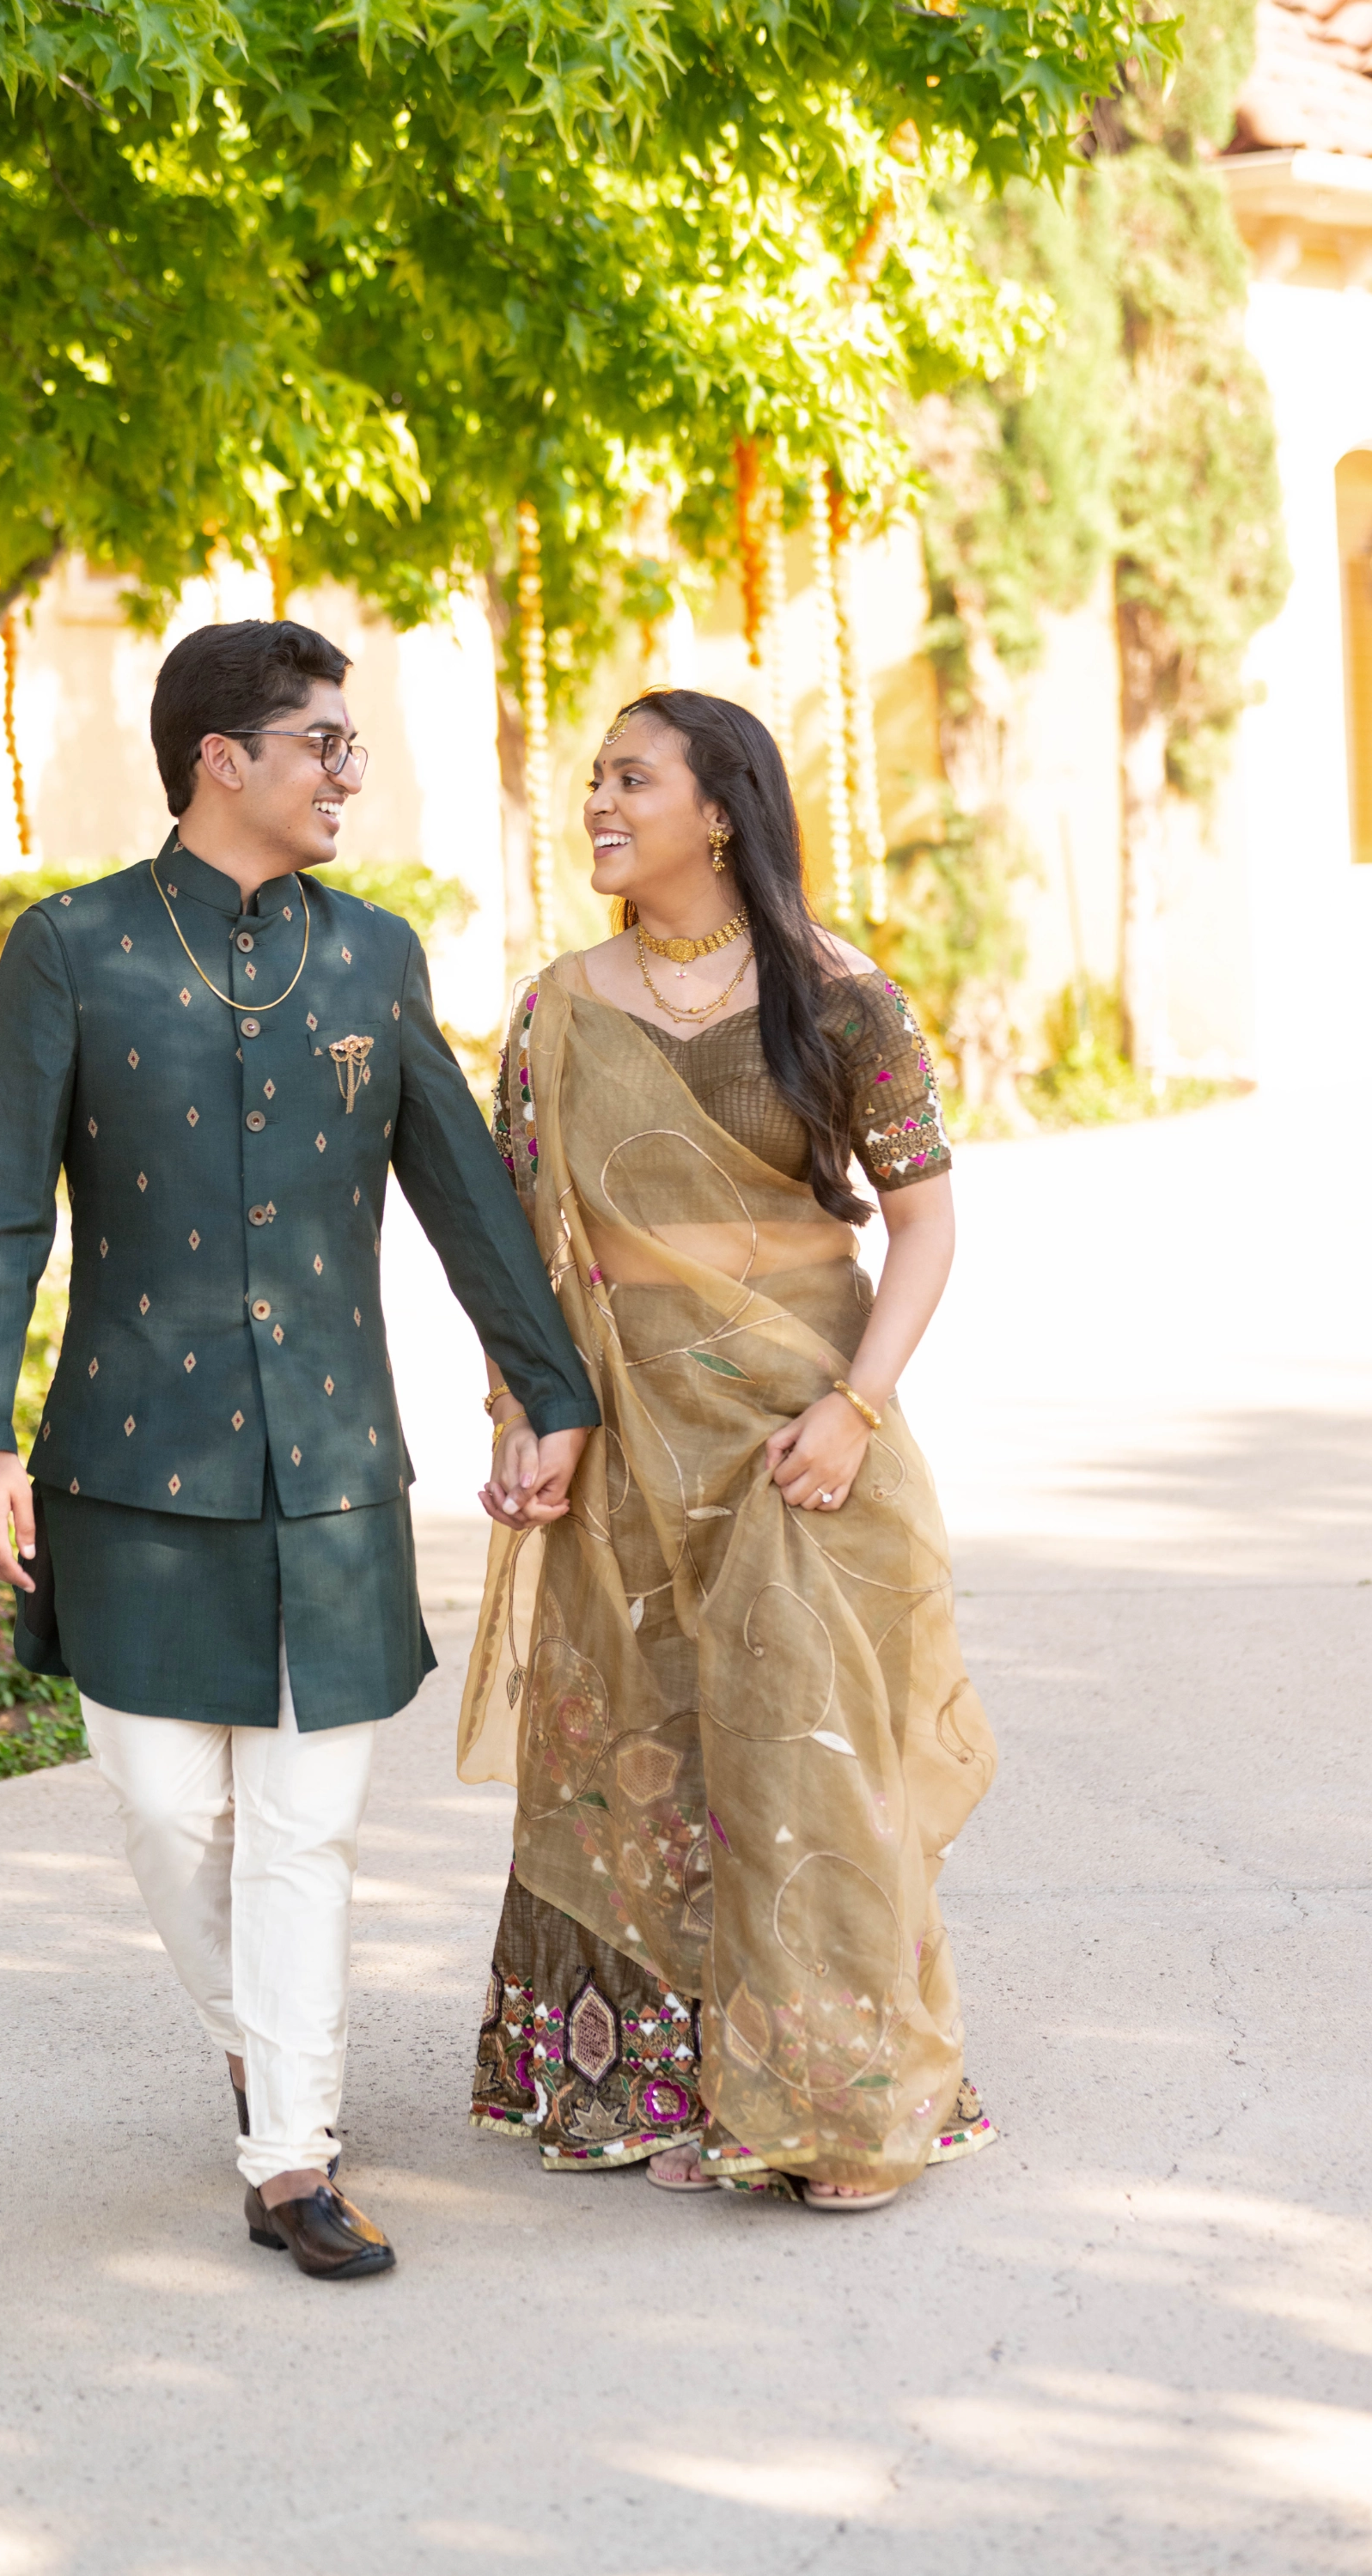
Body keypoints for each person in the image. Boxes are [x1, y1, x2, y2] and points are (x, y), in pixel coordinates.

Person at [0, 618, 598, 2280]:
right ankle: (270, 2054)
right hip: (129, 1472)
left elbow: (464, 1192)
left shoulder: (374, 958)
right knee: (169, 1815)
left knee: (308, 1829)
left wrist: (552, 1387)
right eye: (324, 740)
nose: (350, 771)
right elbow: (7, 1211)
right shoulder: (74, 949)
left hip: (328, 1467)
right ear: (219, 758)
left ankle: (290, 2150)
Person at [462, 688, 998, 2208]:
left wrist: (858, 1406)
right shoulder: (560, 1006)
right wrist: (524, 1411)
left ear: (721, 808)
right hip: (630, 1424)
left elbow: (926, 1221)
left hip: (800, 1429)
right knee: (641, 1737)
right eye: (592, 783)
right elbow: (518, 1244)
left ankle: (837, 2102)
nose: (599, 805)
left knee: (808, 1751)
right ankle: (639, 2080)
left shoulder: (843, 998)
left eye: (632, 779)